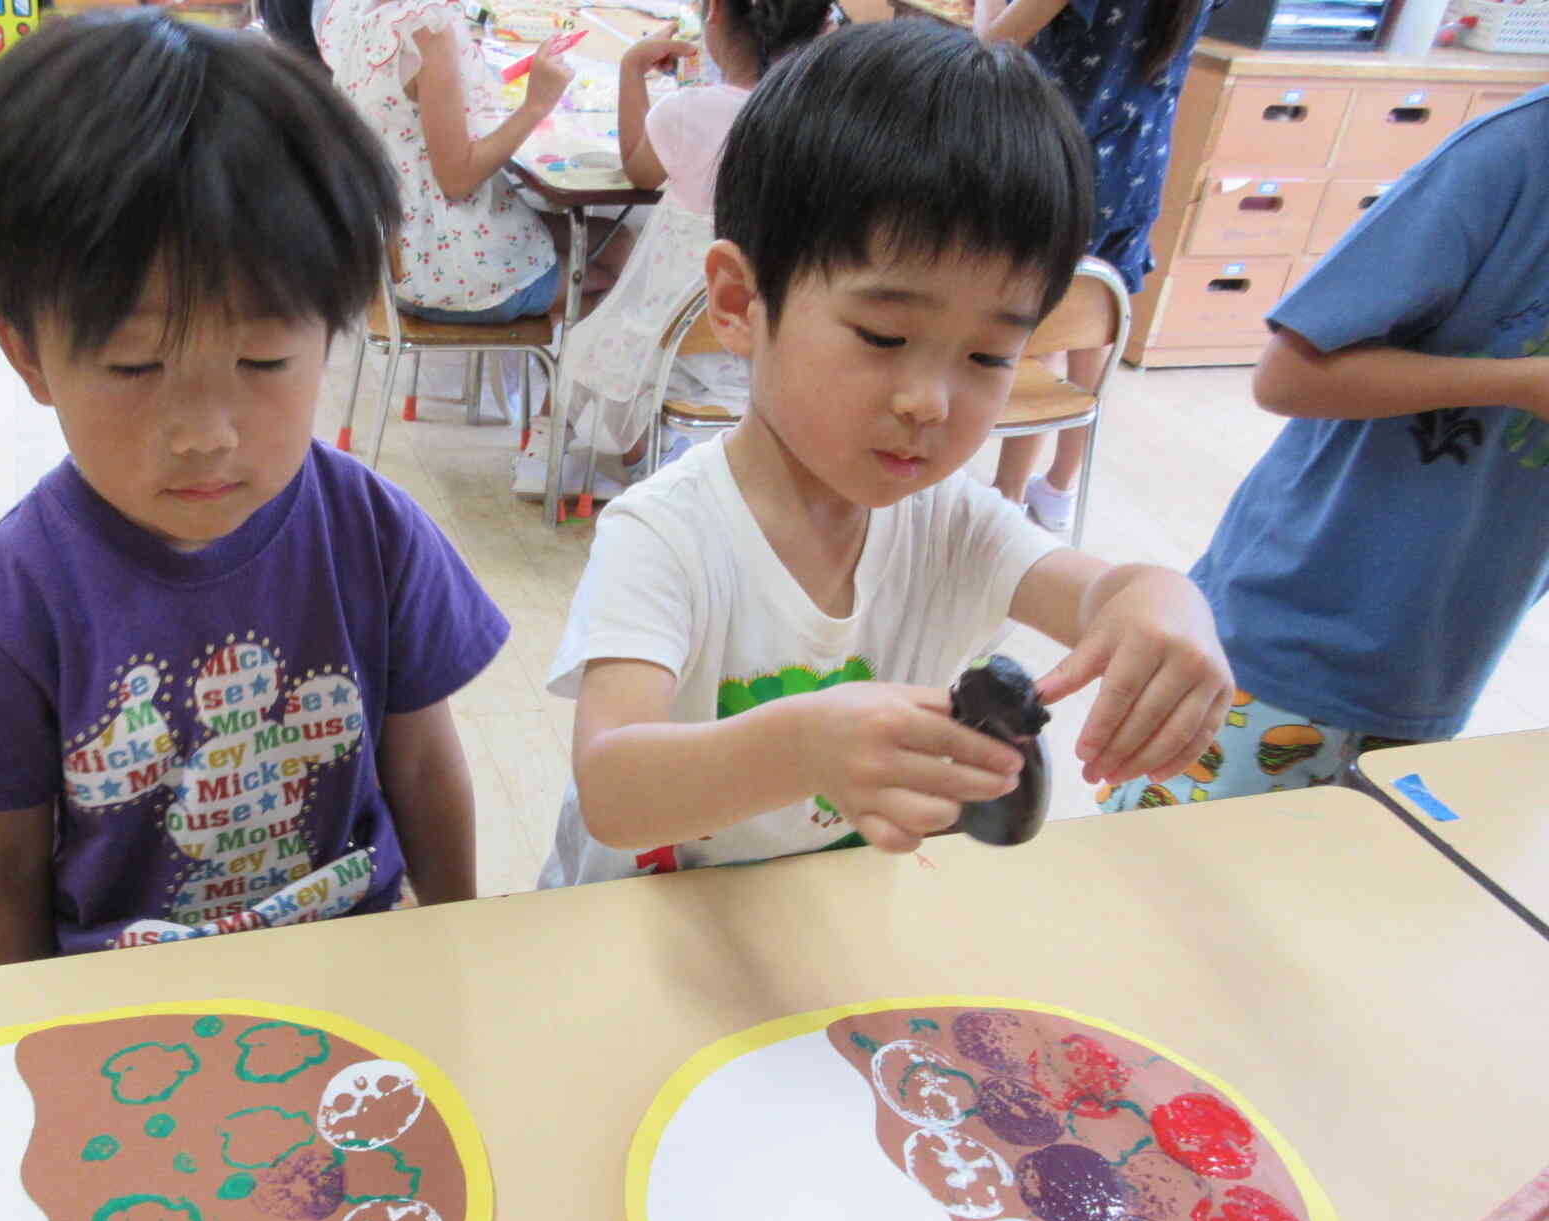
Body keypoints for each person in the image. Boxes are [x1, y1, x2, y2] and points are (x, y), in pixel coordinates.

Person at [537, 20, 1233, 887]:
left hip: (821, 933)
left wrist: (1167, 603)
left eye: (988, 356)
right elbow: (614, 789)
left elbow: (1109, 598)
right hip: (634, 936)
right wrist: (801, 747)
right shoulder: (667, 535)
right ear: (740, 302)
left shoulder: (953, 526)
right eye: (884, 334)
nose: (929, 402)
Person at [0, 12, 510, 962]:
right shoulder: (16, 598)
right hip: (124, 991)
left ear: (334, 326)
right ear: (25, 352)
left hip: (359, 956)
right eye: (135, 366)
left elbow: (422, 761)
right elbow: (1, 863)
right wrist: (16, 1033)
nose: (205, 436)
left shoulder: (372, 532)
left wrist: (461, 945)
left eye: (263, 358)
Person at [1100, 85, 1549, 814]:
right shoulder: (1511, 157)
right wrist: (1520, 384)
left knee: (1322, 896)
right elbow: (1290, 374)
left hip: (1441, 658)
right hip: (1290, 636)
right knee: (1153, 883)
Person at [553, 0, 829, 470]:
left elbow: (639, 171)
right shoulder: (823, 126)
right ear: (823, 29)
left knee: (589, 336)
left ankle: (618, 457)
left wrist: (632, 69)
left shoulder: (688, 110)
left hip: (665, 349)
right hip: (769, 352)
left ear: (715, 14)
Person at [974, 0, 1212, 531]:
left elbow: (991, 45)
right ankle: (1059, 487)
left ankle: (1008, 495)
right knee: (1093, 317)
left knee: (1045, 332)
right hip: (1139, 160)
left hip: (1066, 157)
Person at [316, 0, 623, 322]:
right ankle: (572, 367)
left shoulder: (364, 12)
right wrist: (537, 103)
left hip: (396, 254)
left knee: (610, 239)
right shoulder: (429, 28)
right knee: (614, 268)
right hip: (446, 271)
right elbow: (457, 180)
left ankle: (562, 363)